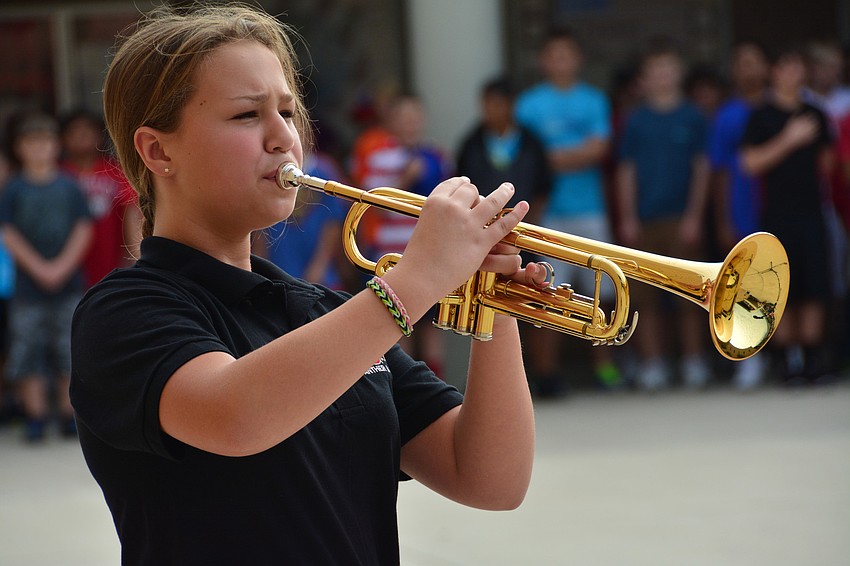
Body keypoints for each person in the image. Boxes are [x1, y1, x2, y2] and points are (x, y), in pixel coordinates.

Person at [69, 5, 539, 564]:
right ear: (158, 151)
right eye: (247, 115)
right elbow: (236, 416)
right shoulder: (123, 311)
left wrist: (496, 302)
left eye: (288, 112)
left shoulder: (324, 312)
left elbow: (490, 479)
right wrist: (420, 279)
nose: (283, 138)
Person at [515, 27, 621, 394]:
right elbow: (528, 158)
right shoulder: (528, 105)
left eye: (567, 54)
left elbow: (599, 149)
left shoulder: (593, 101)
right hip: (546, 212)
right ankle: (547, 374)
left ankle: (605, 371)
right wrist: (572, 155)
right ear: (543, 61)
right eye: (553, 55)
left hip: (590, 208)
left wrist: (554, 158)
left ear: (578, 59)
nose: (560, 61)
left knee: (601, 293)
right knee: (547, 293)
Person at [616, 39, 712, 391]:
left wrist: (695, 216)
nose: (662, 76)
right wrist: (627, 217)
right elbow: (625, 171)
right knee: (645, 299)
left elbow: (702, 169)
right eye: (655, 71)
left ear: (679, 73)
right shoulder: (636, 120)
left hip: (681, 217)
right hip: (644, 219)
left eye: (667, 69)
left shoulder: (693, 116)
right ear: (644, 78)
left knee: (691, 295)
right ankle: (653, 364)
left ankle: (693, 362)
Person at [740, 45, 835, 386]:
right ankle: (787, 360)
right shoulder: (761, 115)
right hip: (777, 215)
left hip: (813, 211)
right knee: (781, 288)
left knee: (815, 285)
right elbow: (749, 163)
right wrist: (788, 140)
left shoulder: (815, 112)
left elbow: (828, 162)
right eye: (784, 66)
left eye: (798, 66)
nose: (792, 73)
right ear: (773, 72)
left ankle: (813, 358)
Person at [0, 113, 92, 441]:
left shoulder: (70, 186)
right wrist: (39, 268)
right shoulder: (13, 189)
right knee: (28, 349)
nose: (39, 149)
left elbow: (83, 228)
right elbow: (8, 232)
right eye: (31, 142)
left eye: (45, 142)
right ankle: (35, 416)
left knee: (68, 348)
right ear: (20, 148)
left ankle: (70, 416)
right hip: (27, 288)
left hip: (68, 285)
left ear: (56, 146)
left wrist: (61, 266)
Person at [707, 40, 770, 390]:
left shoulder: (784, 108)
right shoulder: (726, 115)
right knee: (743, 287)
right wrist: (722, 219)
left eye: (754, 61)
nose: (748, 69)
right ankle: (750, 358)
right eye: (741, 63)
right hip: (741, 207)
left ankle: (794, 356)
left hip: (780, 206)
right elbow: (718, 172)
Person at [60, 109, 141, 287]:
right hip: (68, 266)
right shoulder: (58, 173)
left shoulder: (116, 170)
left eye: (89, 130)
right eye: (75, 130)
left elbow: (131, 212)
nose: (82, 135)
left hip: (111, 258)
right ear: (63, 138)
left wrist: (135, 257)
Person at [456, 76, 551, 217]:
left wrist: (532, 217)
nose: (490, 109)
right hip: (481, 221)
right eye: (486, 102)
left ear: (511, 104)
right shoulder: (471, 144)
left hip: (524, 221)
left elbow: (543, 185)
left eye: (497, 103)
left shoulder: (531, 143)